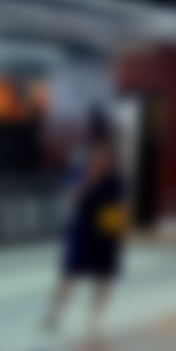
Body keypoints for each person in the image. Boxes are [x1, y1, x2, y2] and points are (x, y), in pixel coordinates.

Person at [44, 133, 128, 338]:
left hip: (106, 234)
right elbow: (70, 198)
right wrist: (88, 182)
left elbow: (121, 208)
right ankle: (54, 315)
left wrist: (122, 233)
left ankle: (94, 322)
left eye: (104, 159)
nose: (100, 163)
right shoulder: (80, 174)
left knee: (103, 278)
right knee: (68, 274)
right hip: (82, 231)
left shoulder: (116, 180)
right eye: (96, 158)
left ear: (110, 161)